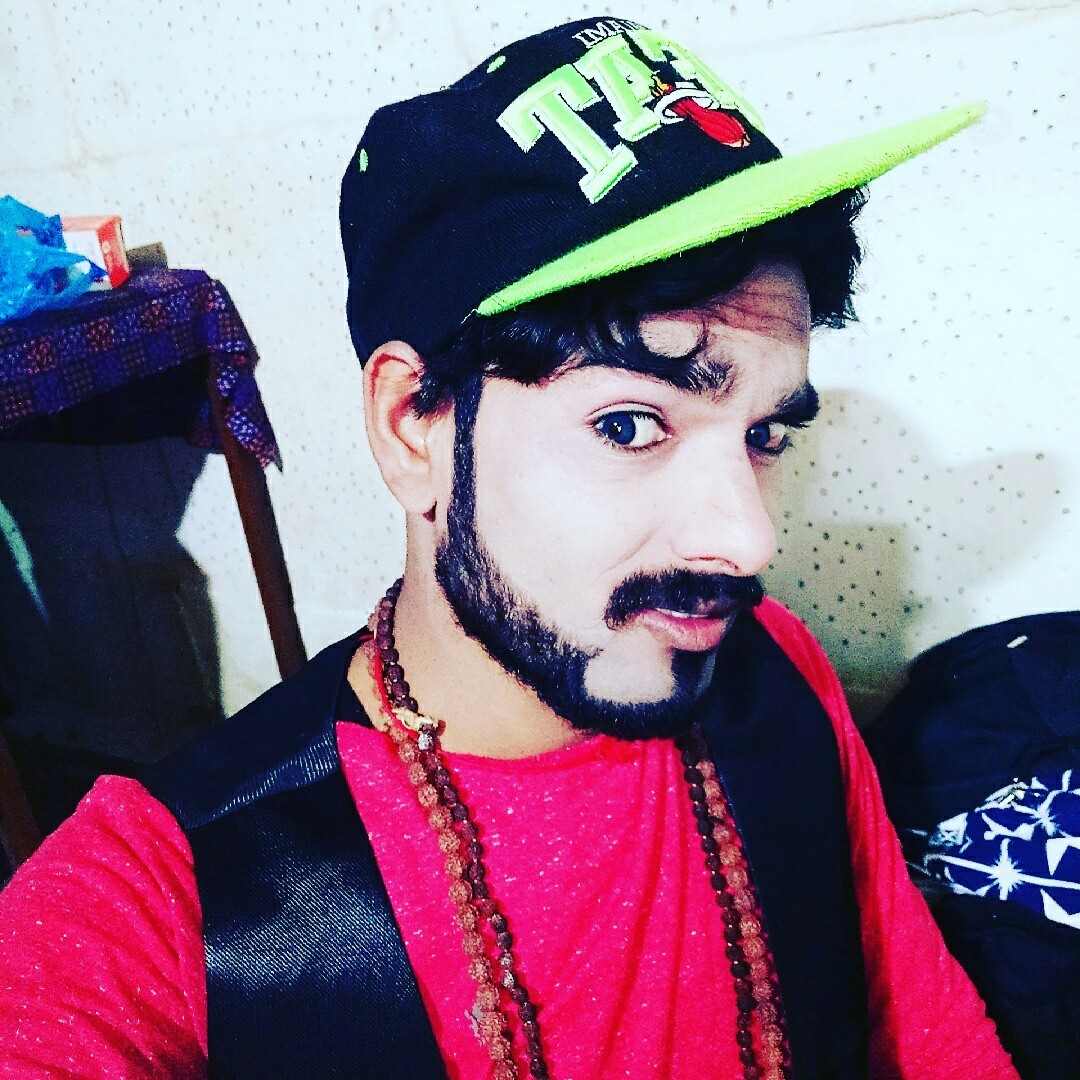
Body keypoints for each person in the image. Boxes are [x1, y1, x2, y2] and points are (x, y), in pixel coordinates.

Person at [0, 16, 1018, 1080]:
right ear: (413, 426)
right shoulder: (163, 897)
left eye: (763, 435)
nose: (745, 538)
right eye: (631, 425)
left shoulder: (778, 677)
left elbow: (933, 1039)